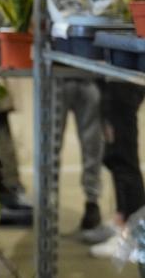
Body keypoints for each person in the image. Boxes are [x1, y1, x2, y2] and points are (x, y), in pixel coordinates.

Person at [90, 82, 145, 258]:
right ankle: (122, 221)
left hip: (124, 81)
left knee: (123, 158)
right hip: (116, 81)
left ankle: (131, 235)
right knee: (116, 157)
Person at [59, 79, 111, 244]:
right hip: (55, 76)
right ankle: (48, 209)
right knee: (49, 147)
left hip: (87, 77)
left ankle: (92, 205)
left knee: (92, 145)